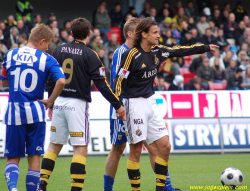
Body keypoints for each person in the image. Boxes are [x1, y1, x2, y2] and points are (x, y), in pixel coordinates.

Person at [113, 17, 218, 191]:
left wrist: (205, 48)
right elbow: (118, 81)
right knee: (136, 150)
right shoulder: (131, 54)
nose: (158, 36)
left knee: (165, 146)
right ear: (144, 34)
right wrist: (118, 105)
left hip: (150, 102)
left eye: (158, 33)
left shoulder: (158, 51)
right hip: (134, 104)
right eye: (154, 33)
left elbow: (180, 50)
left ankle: (160, 189)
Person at [39, 17, 126, 191]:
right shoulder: (90, 54)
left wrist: (51, 101)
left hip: (59, 102)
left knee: (54, 146)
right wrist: (118, 105)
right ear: (88, 34)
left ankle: (42, 186)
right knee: (80, 148)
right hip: (77, 105)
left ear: (71, 33)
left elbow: (50, 79)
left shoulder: (58, 50)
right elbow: (101, 84)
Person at [104, 17, 180, 191]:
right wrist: (119, 106)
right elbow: (117, 80)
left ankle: (166, 186)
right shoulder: (121, 52)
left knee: (154, 147)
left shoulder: (146, 51)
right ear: (131, 33)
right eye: (139, 31)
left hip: (141, 104)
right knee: (118, 148)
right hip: (123, 106)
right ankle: (107, 188)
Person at [0, 24, 66, 191]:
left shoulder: (11, 54)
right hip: (36, 112)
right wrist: (50, 100)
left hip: (14, 112)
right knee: (34, 156)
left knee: (13, 157)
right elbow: (61, 81)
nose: (47, 48)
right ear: (42, 41)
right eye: (47, 44)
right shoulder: (47, 59)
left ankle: (13, 188)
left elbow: (4, 81)